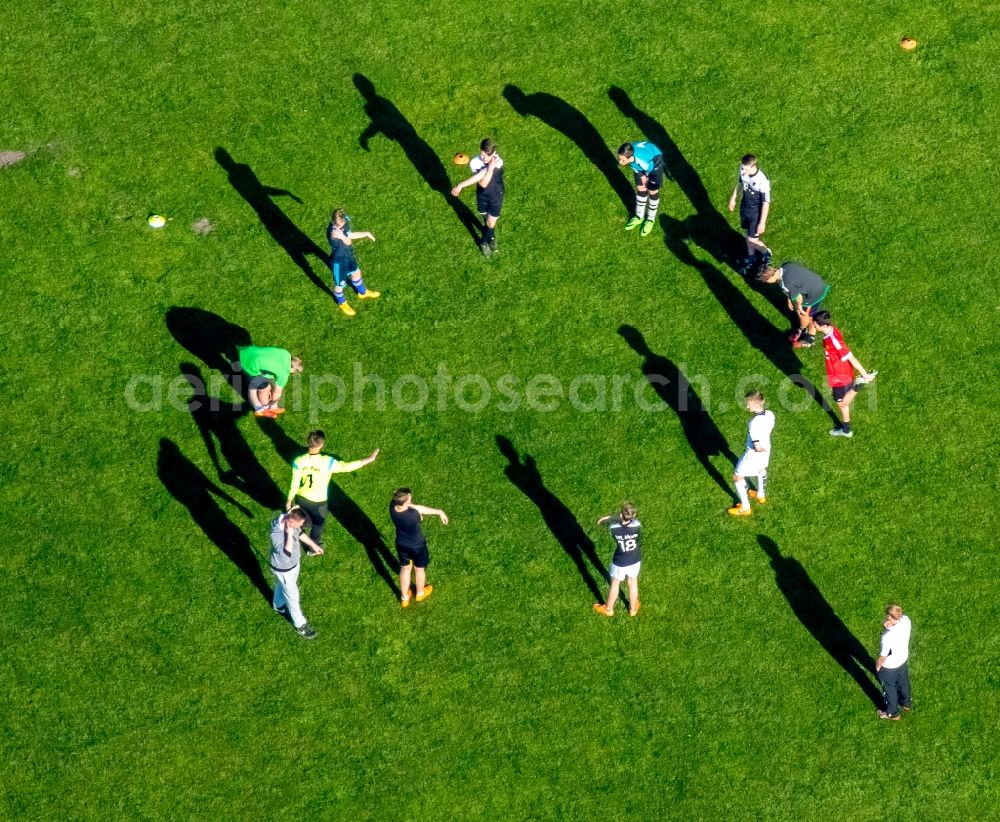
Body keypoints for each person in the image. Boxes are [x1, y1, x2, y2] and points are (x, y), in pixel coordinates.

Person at [285, 431, 380, 549]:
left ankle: (296, 531)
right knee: (318, 524)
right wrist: (369, 459)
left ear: (308, 442)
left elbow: (294, 483)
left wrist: (289, 500)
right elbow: (347, 467)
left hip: (301, 498)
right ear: (321, 445)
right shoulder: (328, 462)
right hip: (319, 502)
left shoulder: (298, 461)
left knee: (303, 518)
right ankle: (312, 548)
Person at [813, 311, 878, 438]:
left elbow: (851, 357)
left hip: (839, 377)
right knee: (844, 405)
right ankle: (846, 431)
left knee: (841, 403)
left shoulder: (834, 341)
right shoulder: (831, 330)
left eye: (815, 325)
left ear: (824, 325)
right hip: (843, 373)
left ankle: (858, 385)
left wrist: (864, 374)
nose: (814, 326)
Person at [269, 507, 324, 639]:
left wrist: (314, 545)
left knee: (282, 585)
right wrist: (289, 534)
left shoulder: (291, 520)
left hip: (294, 565)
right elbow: (286, 554)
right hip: (284, 570)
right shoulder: (276, 534)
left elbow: (300, 534)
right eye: (299, 524)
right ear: (290, 521)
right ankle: (301, 626)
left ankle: (278, 604)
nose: (301, 526)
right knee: (293, 596)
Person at [390, 488, 448, 608]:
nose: (411, 500)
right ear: (405, 503)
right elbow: (419, 512)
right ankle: (420, 593)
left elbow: (414, 507)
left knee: (405, 569)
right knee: (419, 569)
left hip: (401, 544)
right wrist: (440, 512)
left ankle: (404, 598)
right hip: (417, 546)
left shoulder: (392, 507)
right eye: (409, 499)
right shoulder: (413, 515)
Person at [451, 138, 505, 258]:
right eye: (481, 153)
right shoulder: (474, 162)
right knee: (487, 221)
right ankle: (491, 237)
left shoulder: (498, 162)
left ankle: (483, 243)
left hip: (496, 196)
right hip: (482, 196)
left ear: (493, 154)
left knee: (490, 222)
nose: (482, 157)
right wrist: (489, 168)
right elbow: (481, 180)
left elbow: (484, 183)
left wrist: (461, 185)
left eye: (486, 156)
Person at [757, 262, 831, 348]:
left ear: (769, 278)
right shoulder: (785, 266)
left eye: (766, 281)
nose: (767, 283)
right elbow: (790, 286)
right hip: (818, 283)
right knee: (811, 312)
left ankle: (805, 334)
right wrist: (790, 298)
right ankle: (808, 332)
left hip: (815, 293)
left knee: (804, 314)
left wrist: (800, 307)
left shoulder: (786, 283)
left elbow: (798, 297)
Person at [728, 390, 775, 517]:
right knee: (761, 470)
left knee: (737, 477)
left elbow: (757, 446)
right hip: (767, 450)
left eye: (748, 404)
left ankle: (745, 507)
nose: (747, 406)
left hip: (754, 455)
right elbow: (769, 432)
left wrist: (758, 450)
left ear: (755, 404)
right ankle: (761, 496)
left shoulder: (753, 423)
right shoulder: (770, 414)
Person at [327, 209, 380, 317]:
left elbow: (349, 233)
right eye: (337, 224)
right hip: (339, 261)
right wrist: (343, 236)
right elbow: (348, 241)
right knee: (340, 284)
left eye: (342, 223)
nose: (340, 226)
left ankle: (362, 292)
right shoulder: (333, 232)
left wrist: (365, 233)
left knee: (356, 272)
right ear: (333, 222)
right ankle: (342, 303)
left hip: (349, 256)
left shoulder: (345, 220)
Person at [593, 502, 642, 617]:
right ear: (633, 515)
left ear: (620, 515)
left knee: (615, 584)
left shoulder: (613, 528)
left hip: (620, 561)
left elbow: (617, 520)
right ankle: (633, 609)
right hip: (635, 559)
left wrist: (607, 517)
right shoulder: (637, 525)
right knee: (632, 582)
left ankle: (608, 609)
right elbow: (627, 519)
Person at [728, 154, 772, 276]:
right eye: (742, 168)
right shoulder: (743, 171)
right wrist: (733, 198)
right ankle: (751, 257)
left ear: (754, 166)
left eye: (745, 169)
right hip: (745, 208)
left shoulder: (762, 181)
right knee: (748, 235)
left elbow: (766, 202)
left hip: (755, 214)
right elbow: (740, 182)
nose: (742, 171)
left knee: (751, 240)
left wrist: (762, 222)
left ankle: (765, 253)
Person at [234, 345, 303, 418]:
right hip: (245, 366)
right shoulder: (284, 373)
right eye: (295, 372)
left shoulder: (286, 353)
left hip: (244, 352)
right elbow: (277, 393)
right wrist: (274, 403)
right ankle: (262, 409)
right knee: (263, 389)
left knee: (263, 385)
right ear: (293, 370)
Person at [616, 141, 663, 236]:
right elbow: (634, 165)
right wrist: (641, 176)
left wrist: (647, 177)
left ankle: (650, 219)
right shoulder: (629, 154)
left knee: (652, 190)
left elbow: (649, 169)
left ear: (630, 157)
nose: (620, 162)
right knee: (641, 188)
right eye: (620, 159)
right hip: (640, 161)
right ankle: (639, 216)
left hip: (654, 161)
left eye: (623, 160)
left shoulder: (643, 162)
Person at [875, 604, 913, 720]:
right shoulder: (906, 620)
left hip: (889, 667)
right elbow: (897, 626)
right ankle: (906, 704)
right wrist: (889, 625)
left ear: (889, 616)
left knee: (889, 689)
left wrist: (878, 667)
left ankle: (893, 714)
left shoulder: (887, 637)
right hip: (903, 660)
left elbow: (883, 657)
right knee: (903, 682)